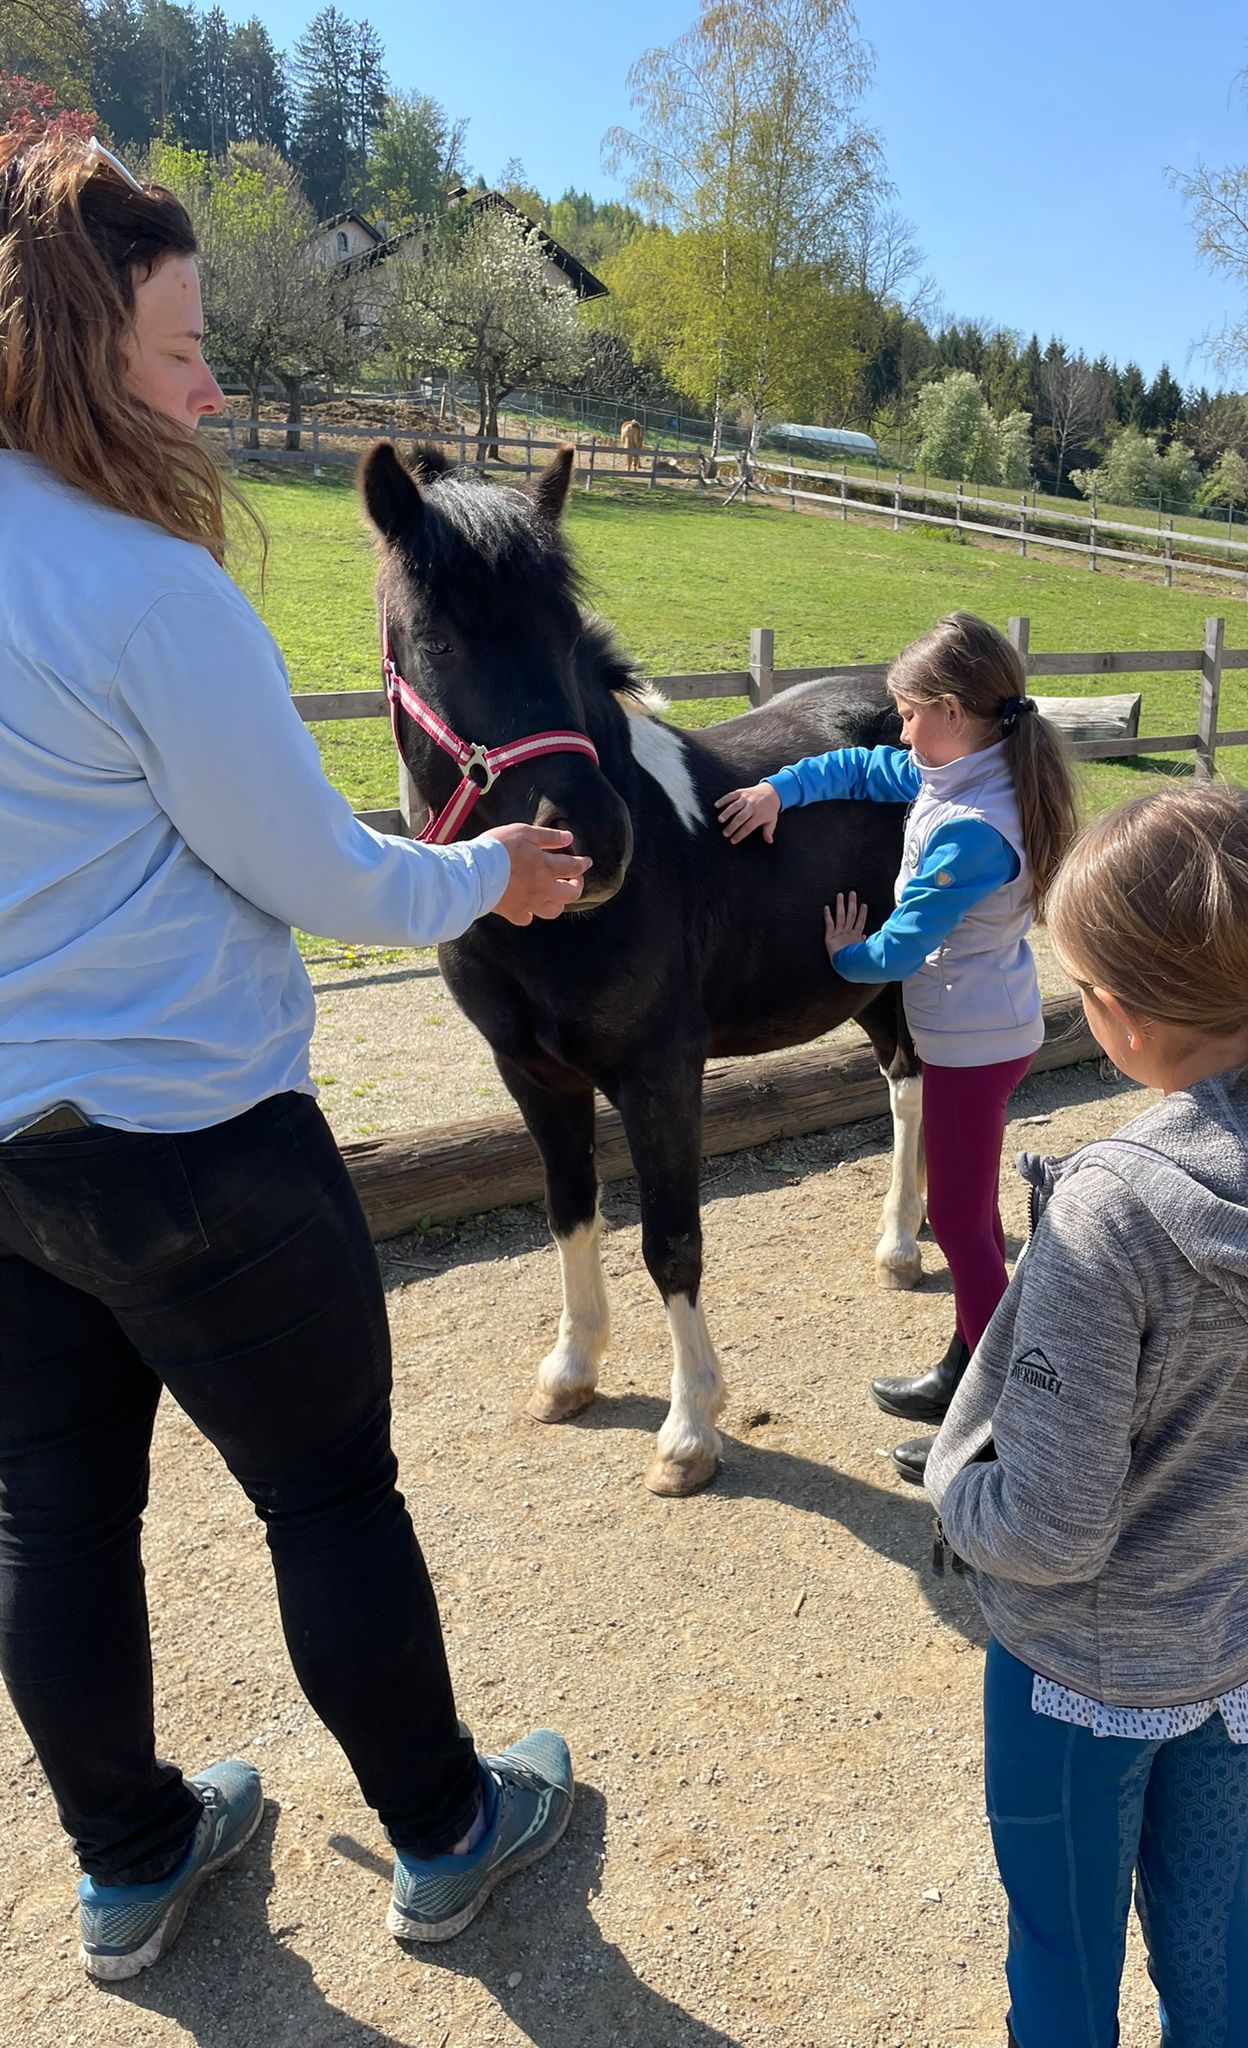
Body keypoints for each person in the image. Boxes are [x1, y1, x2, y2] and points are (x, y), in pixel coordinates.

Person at [0, 131, 588, 1981]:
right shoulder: (145, 591)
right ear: (82, 354)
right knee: (330, 1492)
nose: (212, 385)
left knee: (55, 1513)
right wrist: (490, 868)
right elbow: (316, 871)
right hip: (198, 1135)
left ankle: (133, 1858)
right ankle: (443, 1829)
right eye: (180, 350)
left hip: (11, 1147)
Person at [925, 783, 1248, 2048]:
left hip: (1073, 1684)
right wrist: (1247, 1486)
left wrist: (952, 1489)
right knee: (1210, 1942)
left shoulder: (1110, 1212)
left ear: (1125, 1015)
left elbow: (1047, 1532)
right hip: (1245, 1665)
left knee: (1063, 1961)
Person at [717, 613, 1077, 1482]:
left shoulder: (972, 828)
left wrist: (846, 956)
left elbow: (902, 948)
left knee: (955, 1221)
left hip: (969, 1041)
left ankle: (998, 1421)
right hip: (975, 1027)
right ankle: (969, 1362)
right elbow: (863, 765)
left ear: (951, 711)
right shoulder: (961, 769)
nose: (901, 729)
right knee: (971, 1214)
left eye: (910, 713)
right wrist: (779, 790)